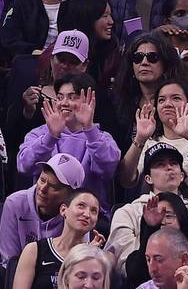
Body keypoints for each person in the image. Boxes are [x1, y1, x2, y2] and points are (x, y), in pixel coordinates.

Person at [18, 73, 120, 213]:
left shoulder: (102, 137)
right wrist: (51, 137)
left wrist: (89, 130)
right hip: (46, 214)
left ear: (90, 100)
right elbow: (24, 167)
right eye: (60, 97)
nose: (64, 103)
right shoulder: (39, 134)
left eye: (72, 97)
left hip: (88, 218)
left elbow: (108, 170)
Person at [106, 144, 188, 273]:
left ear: (182, 176)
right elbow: (123, 266)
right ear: (148, 178)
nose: (169, 167)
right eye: (160, 164)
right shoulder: (128, 213)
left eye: (174, 163)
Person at [121, 191, 188, 288]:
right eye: (149, 259)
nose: (162, 221)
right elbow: (137, 275)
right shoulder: (136, 260)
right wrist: (151, 227)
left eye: (168, 215)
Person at [0, 153, 86, 264]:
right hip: (18, 274)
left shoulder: (77, 214)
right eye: (42, 180)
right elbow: (9, 262)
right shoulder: (15, 203)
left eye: (53, 187)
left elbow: (77, 265)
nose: (42, 189)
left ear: (70, 195)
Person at [13, 189, 104, 289]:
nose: (87, 214)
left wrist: (89, 253)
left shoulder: (95, 258)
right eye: (81, 206)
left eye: (93, 211)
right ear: (63, 210)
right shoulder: (34, 250)